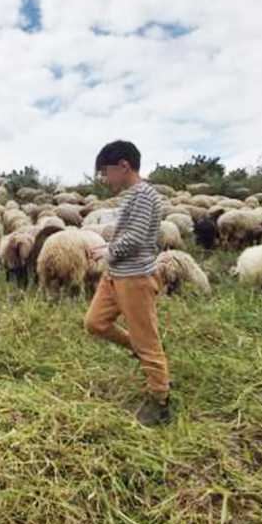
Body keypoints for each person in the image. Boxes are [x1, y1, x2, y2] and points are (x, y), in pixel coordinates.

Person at [84, 141, 172, 426]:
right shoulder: (131, 196)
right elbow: (129, 234)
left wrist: (109, 252)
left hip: (135, 278)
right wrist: (107, 248)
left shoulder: (144, 195)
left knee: (148, 340)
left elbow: (135, 238)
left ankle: (160, 399)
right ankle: (138, 350)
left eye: (105, 171)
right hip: (115, 274)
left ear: (123, 166)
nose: (104, 178)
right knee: (95, 323)